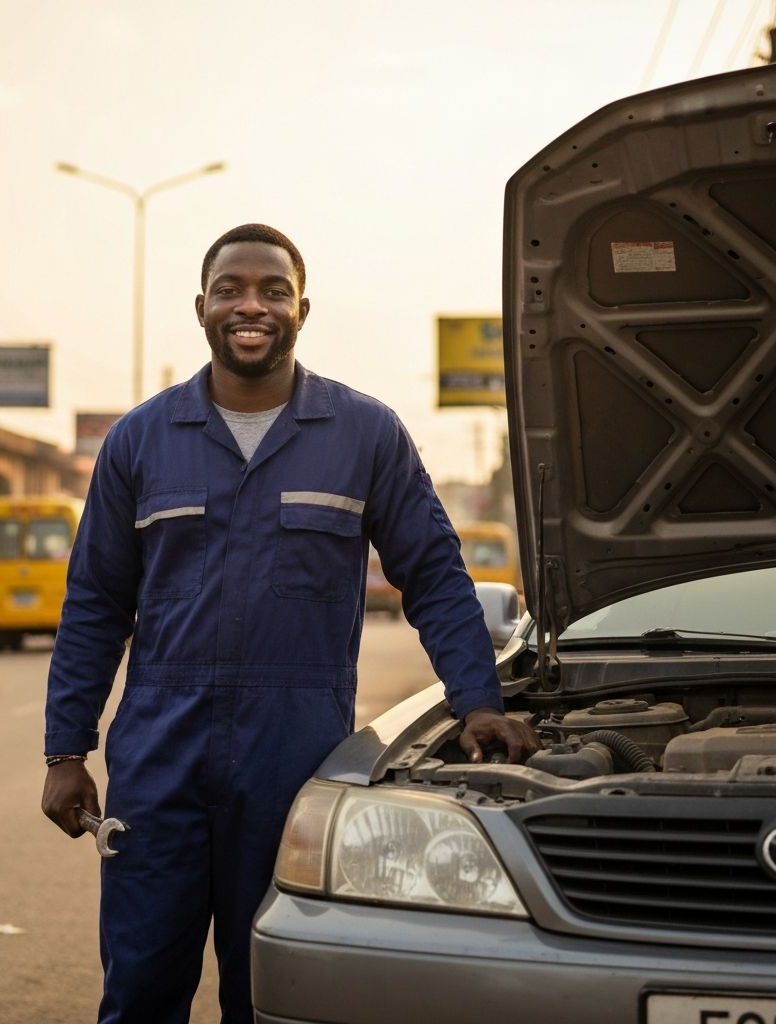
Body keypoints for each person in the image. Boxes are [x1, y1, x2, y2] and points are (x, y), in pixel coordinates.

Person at [42, 223, 540, 1024]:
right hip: (159, 757)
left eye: (273, 291)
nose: (251, 305)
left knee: (275, 994)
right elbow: (96, 603)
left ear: (302, 309)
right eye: (231, 288)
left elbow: (436, 578)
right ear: (200, 307)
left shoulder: (364, 434)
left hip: (296, 760)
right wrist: (66, 749)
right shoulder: (139, 440)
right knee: (139, 991)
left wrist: (479, 700)